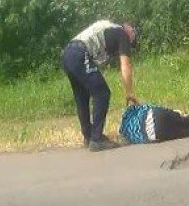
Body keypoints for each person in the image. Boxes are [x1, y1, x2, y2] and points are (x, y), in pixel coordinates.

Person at [60, 20, 140, 152]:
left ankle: (89, 135)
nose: (130, 41)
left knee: (82, 97)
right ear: (128, 29)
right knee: (102, 93)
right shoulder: (122, 34)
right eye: (133, 35)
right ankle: (96, 139)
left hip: (68, 54)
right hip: (79, 53)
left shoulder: (109, 27)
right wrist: (129, 92)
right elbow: (125, 65)